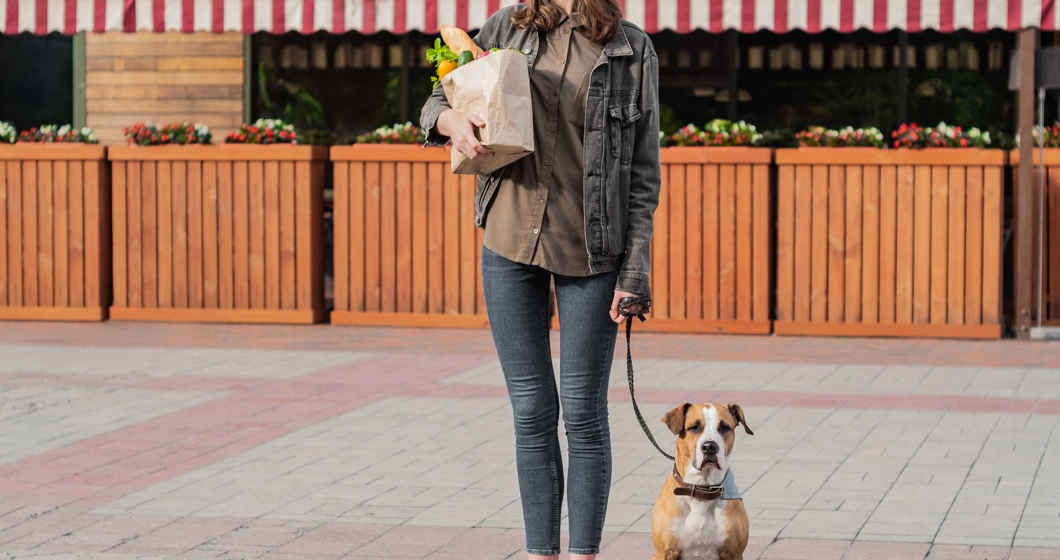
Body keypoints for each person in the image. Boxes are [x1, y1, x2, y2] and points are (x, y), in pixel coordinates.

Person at [420, 1, 660, 558]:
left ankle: (583, 555)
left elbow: (643, 173)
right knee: (530, 412)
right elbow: (439, 99)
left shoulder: (630, 46)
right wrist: (454, 123)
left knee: (583, 414)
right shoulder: (508, 26)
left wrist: (635, 270)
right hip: (508, 240)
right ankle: (540, 553)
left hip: (593, 251)